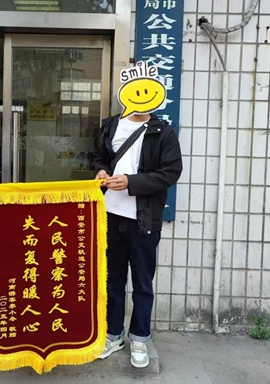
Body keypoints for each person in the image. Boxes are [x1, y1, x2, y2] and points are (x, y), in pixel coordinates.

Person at [91, 110, 182, 368]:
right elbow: (98, 157)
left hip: (144, 219)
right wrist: (101, 170)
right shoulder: (110, 126)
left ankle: (140, 338)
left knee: (143, 283)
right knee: (112, 281)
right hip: (110, 215)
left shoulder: (163, 131)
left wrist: (131, 182)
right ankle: (113, 335)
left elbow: (170, 172)